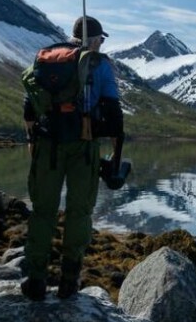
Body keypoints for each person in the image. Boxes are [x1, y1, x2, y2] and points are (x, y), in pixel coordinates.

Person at [21, 16, 123, 301]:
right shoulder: (98, 64)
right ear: (92, 39)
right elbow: (114, 114)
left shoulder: (46, 59)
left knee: (43, 211)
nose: (101, 44)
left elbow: (29, 107)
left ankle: (36, 280)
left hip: (46, 144)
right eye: (101, 39)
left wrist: (32, 142)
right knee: (79, 211)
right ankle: (69, 280)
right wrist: (115, 154)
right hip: (83, 146)